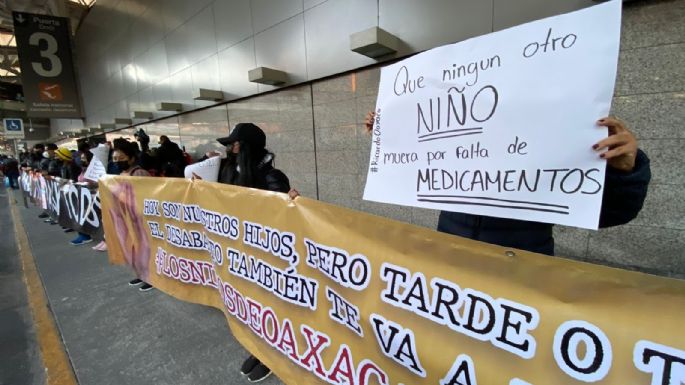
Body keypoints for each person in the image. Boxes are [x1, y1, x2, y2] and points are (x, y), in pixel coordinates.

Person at [364, 111, 650, 256]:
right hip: (452, 264)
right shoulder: (455, 151)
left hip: (521, 278)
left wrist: (624, 171)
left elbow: (607, 213)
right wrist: (389, 133)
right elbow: (414, 159)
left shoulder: (542, 153)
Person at [195, 123, 291, 383]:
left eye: (234, 144)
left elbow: (284, 221)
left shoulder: (271, 177)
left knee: (266, 306)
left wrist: (290, 203)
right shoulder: (227, 171)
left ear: (247, 146)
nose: (229, 148)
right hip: (235, 255)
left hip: (263, 258)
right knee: (245, 305)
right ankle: (257, 349)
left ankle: (272, 355)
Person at [111, 140, 154, 292]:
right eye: (115, 158)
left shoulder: (139, 173)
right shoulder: (122, 174)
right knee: (135, 248)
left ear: (131, 158)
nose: (117, 162)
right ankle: (141, 274)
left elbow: (149, 196)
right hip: (129, 219)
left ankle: (151, 277)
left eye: (121, 158)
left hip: (140, 219)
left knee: (146, 248)